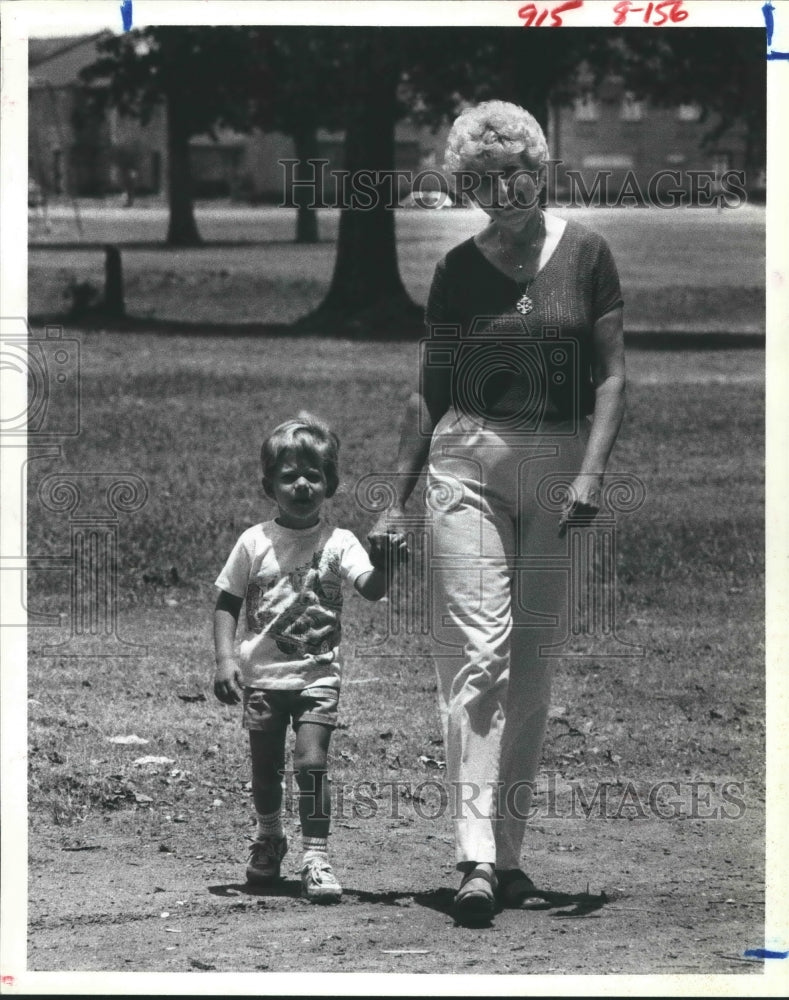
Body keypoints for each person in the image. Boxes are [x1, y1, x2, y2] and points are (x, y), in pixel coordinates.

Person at [369, 101, 626, 922]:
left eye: (511, 173)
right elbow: (429, 391)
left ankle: (507, 855)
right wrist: (392, 502)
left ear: (538, 169)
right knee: (477, 656)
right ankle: (474, 857)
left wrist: (590, 475)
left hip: (558, 472)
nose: (499, 190)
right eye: (479, 181)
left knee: (533, 666)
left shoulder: (587, 254)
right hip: (466, 464)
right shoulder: (455, 270)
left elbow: (613, 377)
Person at [213, 414, 403, 902]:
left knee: (311, 763)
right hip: (262, 678)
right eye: (289, 476)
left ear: (331, 483)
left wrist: (386, 561)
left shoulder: (340, 543)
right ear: (268, 485)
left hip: (317, 675)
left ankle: (315, 855)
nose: (301, 485)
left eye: (313, 475)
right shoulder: (253, 542)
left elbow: (373, 590)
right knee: (264, 769)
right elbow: (227, 602)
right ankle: (269, 837)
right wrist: (225, 659)